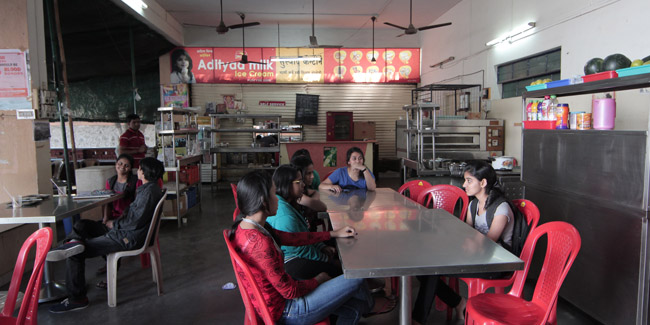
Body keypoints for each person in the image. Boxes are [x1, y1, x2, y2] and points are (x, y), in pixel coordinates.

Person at [229, 170, 394, 324]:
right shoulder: (259, 243)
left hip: (278, 302)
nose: (277, 198)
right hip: (289, 310)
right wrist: (318, 280)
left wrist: (332, 234)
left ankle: (367, 306)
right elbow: (289, 292)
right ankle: (371, 304)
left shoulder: (246, 227)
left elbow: (293, 238)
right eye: (273, 193)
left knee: (355, 309)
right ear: (263, 201)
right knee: (356, 275)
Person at [47, 157, 164, 313]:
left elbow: (134, 222)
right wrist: (114, 223)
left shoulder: (148, 192)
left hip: (125, 237)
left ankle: (77, 298)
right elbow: (133, 218)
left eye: (140, 168)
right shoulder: (149, 189)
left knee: (75, 253)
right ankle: (74, 241)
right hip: (122, 231)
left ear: (144, 172)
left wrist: (113, 224)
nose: (138, 171)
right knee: (82, 225)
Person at [412, 161, 515, 324]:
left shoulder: (501, 208)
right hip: (476, 256)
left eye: (469, 181)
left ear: (483, 183)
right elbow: (465, 232)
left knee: (432, 270)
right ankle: (459, 303)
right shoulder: (474, 204)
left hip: (496, 264)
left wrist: (461, 240)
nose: (464, 185)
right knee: (424, 269)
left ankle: (419, 319)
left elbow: (489, 243)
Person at [266, 165, 338, 280]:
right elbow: (301, 250)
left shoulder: (288, 202)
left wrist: (321, 246)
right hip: (293, 261)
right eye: (298, 182)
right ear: (287, 184)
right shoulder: (285, 216)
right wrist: (326, 259)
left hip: (300, 251)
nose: (303, 185)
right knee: (338, 270)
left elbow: (304, 234)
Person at [103, 154, 138, 223]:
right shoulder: (110, 181)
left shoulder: (135, 181)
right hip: (114, 217)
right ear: (116, 164)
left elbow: (136, 204)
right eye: (120, 163)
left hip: (129, 217)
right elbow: (108, 202)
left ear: (131, 168)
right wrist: (106, 218)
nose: (122, 167)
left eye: (126, 165)